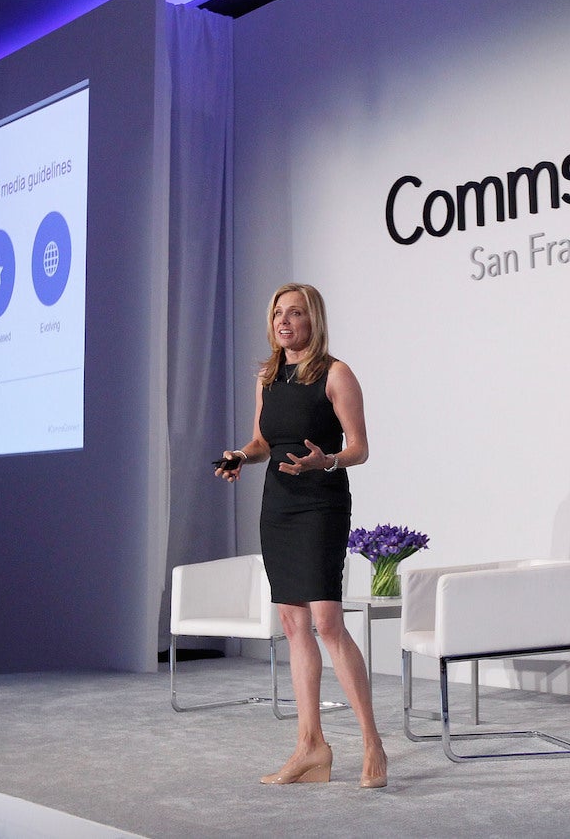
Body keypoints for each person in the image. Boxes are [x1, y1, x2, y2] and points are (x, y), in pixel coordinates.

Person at [214, 282, 388, 789]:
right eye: (277, 314)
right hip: (279, 506)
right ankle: (310, 746)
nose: (283, 322)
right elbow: (264, 440)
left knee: (327, 622)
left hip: (320, 504)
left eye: (294, 313)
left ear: (314, 320)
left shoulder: (336, 373)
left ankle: (372, 743)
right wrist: (241, 456)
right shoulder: (268, 377)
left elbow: (359, 447)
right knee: (293, 624)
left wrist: (325, 461)